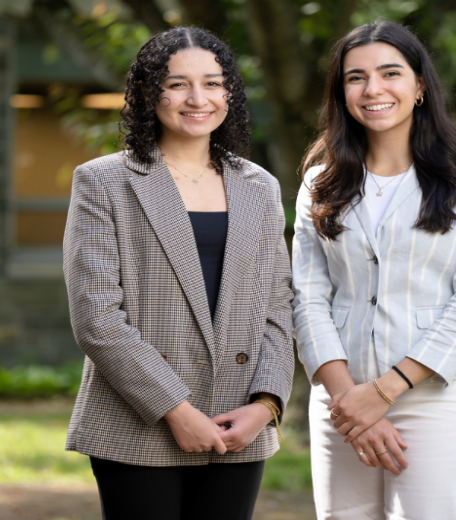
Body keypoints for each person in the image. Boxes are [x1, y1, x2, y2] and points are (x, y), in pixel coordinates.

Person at [62, 27, 294, 520]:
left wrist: (266, 404)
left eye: (212, 83)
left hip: (238, 424)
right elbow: (96, 318)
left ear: (228, 92)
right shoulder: (104, 182)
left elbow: (277, 305)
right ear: (149, 92)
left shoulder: (260, 186)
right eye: (177, 84)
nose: (197, 99)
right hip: (139, 419)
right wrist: (176, 410)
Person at [292, 20, 456, 520]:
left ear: (419, 87)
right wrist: (351, 400)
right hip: (340, 400)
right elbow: (306, 298)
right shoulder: (319, 184)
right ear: (341, 92)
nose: (373, 89)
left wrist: (383, 393)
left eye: (390, 73)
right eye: (355, 77)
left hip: (439, 396)